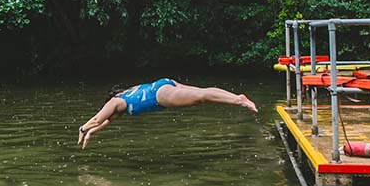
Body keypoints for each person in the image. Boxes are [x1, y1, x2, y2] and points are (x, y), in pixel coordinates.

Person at [77, 78, 257, 149]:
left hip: (159, 95)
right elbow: (104, 122)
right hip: (164, 83)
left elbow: (97, 118)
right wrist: (91, 132)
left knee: (201, 97)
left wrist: (83, 128)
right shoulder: (126, 96)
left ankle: (238, 100)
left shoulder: (115, 102)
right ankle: (237, 97)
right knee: (202, 93)